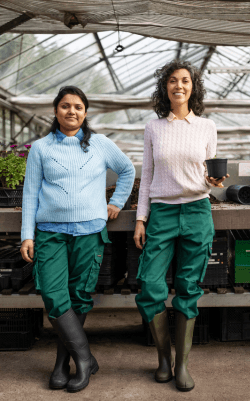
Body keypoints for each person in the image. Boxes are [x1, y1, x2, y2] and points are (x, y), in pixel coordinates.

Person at [20, 86, 135, 393]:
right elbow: (30, 193)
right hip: (50, 234)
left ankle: (61, 364)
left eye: (78, 107)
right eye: (65, 106)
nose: (72, 111)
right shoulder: (41, 148)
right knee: (54, 296)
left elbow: (127, 169)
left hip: (89, 231)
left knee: (79, 296)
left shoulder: (99, 143)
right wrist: (26, 236)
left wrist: (117, 202)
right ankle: (84, 359)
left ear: (86, 113)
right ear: (55, 110)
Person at [133, 60, 229, 392]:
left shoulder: (207, 126)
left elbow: (209, 177)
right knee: (150, 288)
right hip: (162, 212)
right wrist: (140, 219)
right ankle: (163, 358)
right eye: (173, 81)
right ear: (165, 87)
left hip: (198, 210)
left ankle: (182, 365)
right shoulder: (153, 128)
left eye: (185, 81)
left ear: (193, 87)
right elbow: (147, 179)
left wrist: (215, 181)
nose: (179, 85)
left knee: (189, 288)